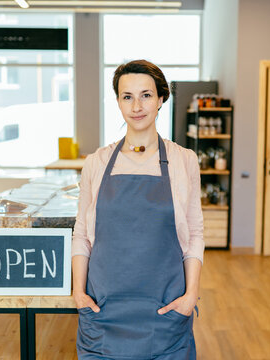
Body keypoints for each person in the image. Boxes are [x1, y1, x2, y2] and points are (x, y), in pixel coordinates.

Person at [72, 59, 204, 359]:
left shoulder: (184, 161)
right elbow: (81, 234)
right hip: (103, 312)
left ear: (161, 98)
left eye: (146, 95)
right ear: (118, 101)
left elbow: (195, 232)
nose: (137, 106)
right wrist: (79, 292)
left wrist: (191, 295)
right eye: (127, 96)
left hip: (165, 312)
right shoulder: (96, 163)